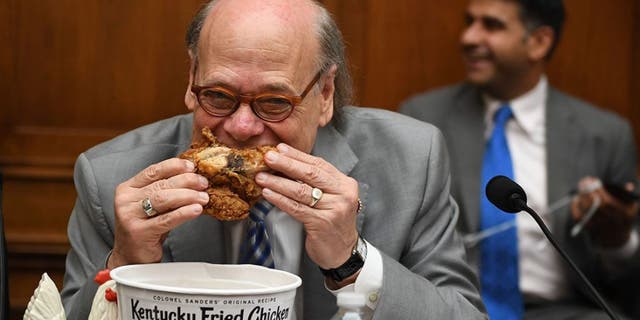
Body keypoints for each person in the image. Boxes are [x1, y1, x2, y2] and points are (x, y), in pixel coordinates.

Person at [60, 0, 487, 319]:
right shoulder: (109, 176)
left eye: (274, 102)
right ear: (191, 80)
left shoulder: (413, 159)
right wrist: (124, 265)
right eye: (219, 96)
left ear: (324, 95)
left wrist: (351, 259)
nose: (242, 127)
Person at [400, 0, 640, 319]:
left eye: (492, 25)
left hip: (564, 312)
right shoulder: (422, 119)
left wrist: (617, 240)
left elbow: (628, 279)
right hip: (454, 309)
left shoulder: (605, 134)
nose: (468, 38)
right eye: (469, 21)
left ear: (539, 42)